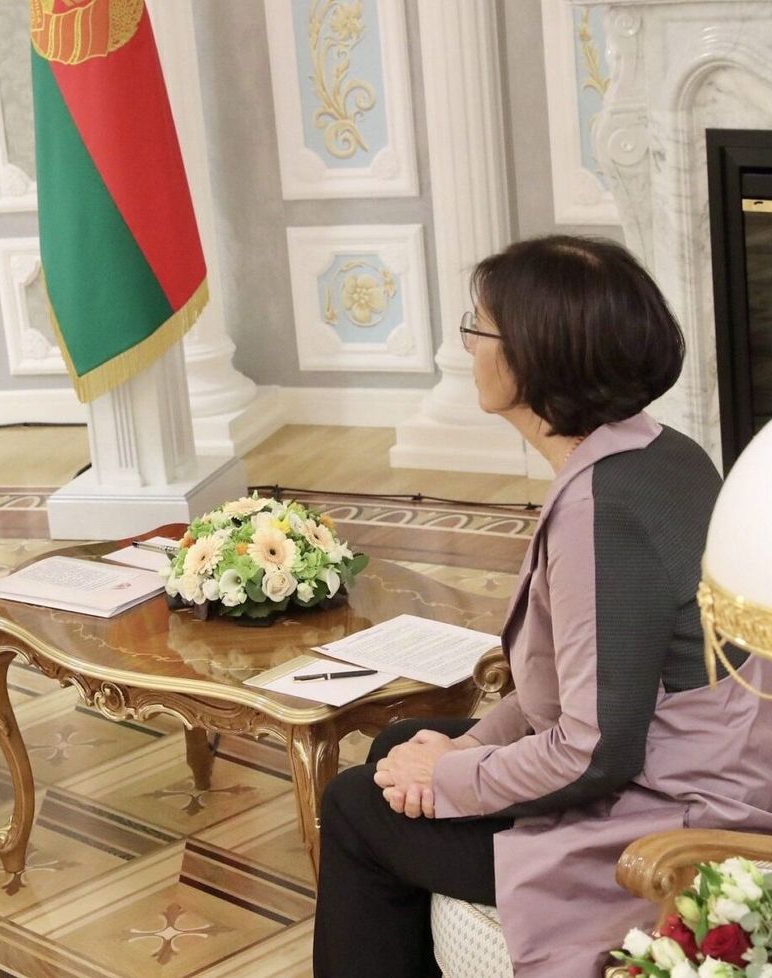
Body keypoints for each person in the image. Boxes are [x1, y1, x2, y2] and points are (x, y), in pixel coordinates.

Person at [312, 235, 772, 978]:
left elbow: (597, 751)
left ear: (534, 358)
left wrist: (450, 778)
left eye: (478, 327)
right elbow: (579, 682)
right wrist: (458, 753)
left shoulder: (604, 509)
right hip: (687, 752)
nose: (467, 346)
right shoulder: (661, 451)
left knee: (357, 807)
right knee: (404, 747)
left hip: (685, 805)